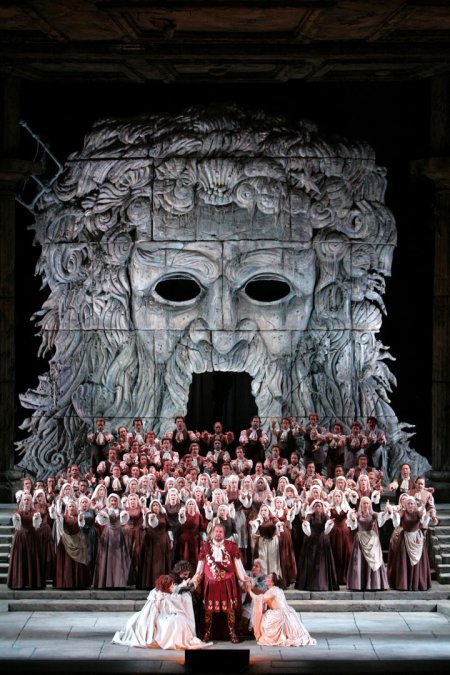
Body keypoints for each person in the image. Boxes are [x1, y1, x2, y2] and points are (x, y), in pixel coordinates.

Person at [112, 573, 212, 649]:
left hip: (162, 614)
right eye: (171, 586)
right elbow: (171, 605)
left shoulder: (162, 592)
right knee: (177, 623)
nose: (172, 587)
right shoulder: (161, 597)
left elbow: (175, 589)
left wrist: (183, 585)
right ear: (166, 587)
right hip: (160, 616)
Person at [191, 523, 250, 643]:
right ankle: (207, 633)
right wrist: (196, 577)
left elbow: (238, 564)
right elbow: (201, 564)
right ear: (212, 533)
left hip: (227, 583)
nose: (218, 534)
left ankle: (232, 633)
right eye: (216, 531)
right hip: (210, 583)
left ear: (224, 533)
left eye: (220, 532)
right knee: (208, 610)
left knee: (230, 609)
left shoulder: (231, 546)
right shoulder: (205, 547)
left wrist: (244, 578)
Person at [246, 572, 316, 647]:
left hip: (279, 614)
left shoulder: (272, 590)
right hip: (288, 613)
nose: (266, 578)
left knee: (264, 618)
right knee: (266, 613)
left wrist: (249, 590)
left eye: (268, 577)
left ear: (272, 582)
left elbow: (258, 599)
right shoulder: (278, 589)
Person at [388, 496, 432, 591]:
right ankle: (404, 583)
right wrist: (395, 515)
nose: (410, 505)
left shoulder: (417, 512)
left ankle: (417, 583)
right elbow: (397, 521)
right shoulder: (403, 512)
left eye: (412, 503)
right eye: (408, 503)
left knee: (418, 560)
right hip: (405, 538)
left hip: (417, 539)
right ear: (406, 505)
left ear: (414, 504)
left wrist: (426, 515)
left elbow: (423, 521)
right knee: (403, 560)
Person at [346, 496, 389, 591]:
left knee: (374, 560)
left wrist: (385, 511)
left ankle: (374, 584)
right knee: (359, 561)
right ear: (361, 504)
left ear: (370, 504)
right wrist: (352, 518)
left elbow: (381, 516)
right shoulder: (358, 515)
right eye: (364, 503)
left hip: (372, 540)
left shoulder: (373, 514)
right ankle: (359, 583)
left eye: (367, 503)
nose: (366, 505)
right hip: (360, 539)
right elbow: (353, 524)